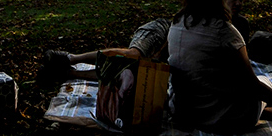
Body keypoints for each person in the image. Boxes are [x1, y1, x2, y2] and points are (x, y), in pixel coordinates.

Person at [167, 0, 272, 133]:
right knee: (262, 81)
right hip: (220, 117)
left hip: (183, 110)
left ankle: (271, 104)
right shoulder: (224, 32)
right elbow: (252, 84)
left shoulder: (177, 22)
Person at [39, 18, 172, 83]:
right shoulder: (189, 14)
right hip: (162, 32)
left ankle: (66, 73)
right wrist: (160, 53)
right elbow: (178, 24)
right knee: (134, 55)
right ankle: (68, 58)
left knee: (131, 76)